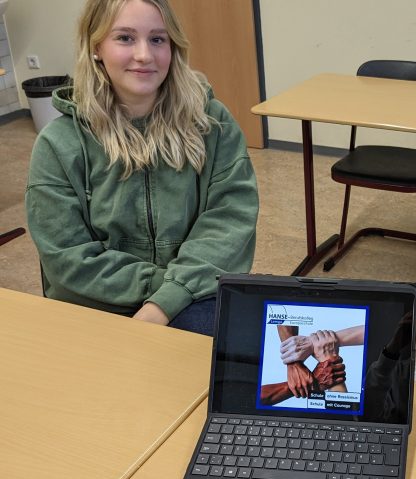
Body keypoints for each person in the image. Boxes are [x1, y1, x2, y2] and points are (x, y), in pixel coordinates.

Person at [25, 0, 258, 336]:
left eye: (157, 39)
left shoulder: (212, 123)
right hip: (95, 301)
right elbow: (68, 256)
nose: (144, 55)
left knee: (238, 363)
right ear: (96, 47)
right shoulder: (57, 143)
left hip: (193, 295)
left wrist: (169, 300)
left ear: (173, 46)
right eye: (124, 38)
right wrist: (164, 290)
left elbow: (229, 221)